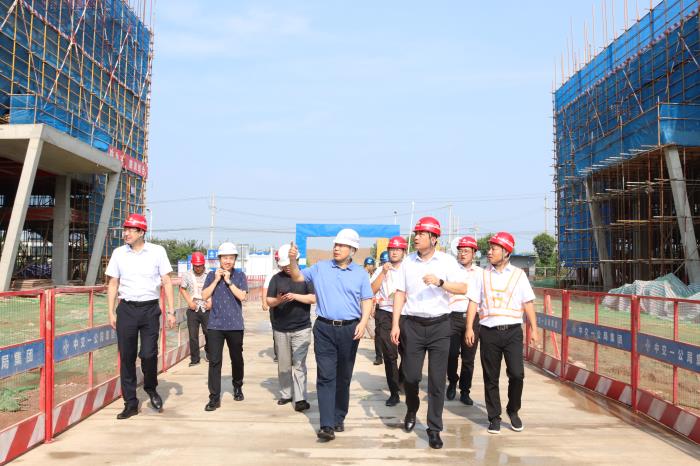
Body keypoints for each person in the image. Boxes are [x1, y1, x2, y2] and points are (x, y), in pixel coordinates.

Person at [287, 229, 372, 442]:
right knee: (326, 376)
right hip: (324, 328)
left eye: (342, 245)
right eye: (335, 244)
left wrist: (363, 323)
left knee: (343, 377)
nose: (337, 248)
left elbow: (367, 300)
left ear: (352, 249)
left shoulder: (361, 274)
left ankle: (338, 416)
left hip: (350, 330)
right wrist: (293, 260)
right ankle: (326, 425)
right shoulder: (320, 268)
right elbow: (297, 276)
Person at [390, 217, 467, 449]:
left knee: (436, 380)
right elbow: (399, 293)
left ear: (434, 238)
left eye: (421, 234)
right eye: (416, 233)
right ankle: (411, 409)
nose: (416, 237)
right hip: (412, 325)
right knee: (411, 377)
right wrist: (395, 324)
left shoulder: (447, 261)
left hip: (440, 326)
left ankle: (434, 428)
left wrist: (440, 282)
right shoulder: (407, 262)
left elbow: (462, 287)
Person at [465, 232, 538, 435]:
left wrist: (534, 329)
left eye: (494, 248)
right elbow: (473, 302)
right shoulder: (481, 275)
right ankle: (494, 417)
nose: (489, 252)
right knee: (491, 377)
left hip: (513, 332)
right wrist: (469, 327)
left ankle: (513, 410)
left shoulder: (518, 275)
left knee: (517, 374)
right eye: (489, 248)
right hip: (488, 332)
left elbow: (528, 303)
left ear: (506, 252)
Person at [106, 213, 176, 420]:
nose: (126, 233)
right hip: (126, 310)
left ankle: (151, 387)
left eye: (130, 230)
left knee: (148, 354)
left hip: (150, 310)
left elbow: (167, 281)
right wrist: (111, 311)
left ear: (141, 232)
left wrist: (171, 311)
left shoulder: (157, 251)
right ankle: (130, 403)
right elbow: (113, 283)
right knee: (126, 357)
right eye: (125, 229)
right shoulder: (119, 253)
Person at [266, 243, 316, 412]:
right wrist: (279, 300)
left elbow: (313, 298)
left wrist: (295, 296)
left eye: (289, 264)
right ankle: (286, 394)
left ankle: (300, 398)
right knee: (284, 365)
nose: (287, 267)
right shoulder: (276, 279)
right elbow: (269, 301)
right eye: (284, 265)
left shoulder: (305, 277)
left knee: (299, 364)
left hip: (302, 328)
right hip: (281, 329)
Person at [201, 242, 248, 411]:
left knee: (237, 358)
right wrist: (216, 280)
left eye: (231, 258)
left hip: (235, 325)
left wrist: (228, 281)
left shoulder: (240, 275)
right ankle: (214, 397)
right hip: (215, 325)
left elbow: (242, 296)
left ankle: (237, 386)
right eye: (225, 258)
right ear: (219, 259)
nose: (228, 261)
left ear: (235, 259)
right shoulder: (211, 275)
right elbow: (204, 295)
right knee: (214, 361)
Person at [370, 236, 407, 407]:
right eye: (392, 249)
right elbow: (371, 290)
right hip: (385, 314)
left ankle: (401, 380)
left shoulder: (409, 268)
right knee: (390, 355)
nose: (394, 252)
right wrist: (383, 273)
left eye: (398, 249)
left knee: (408, 353)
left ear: (403, 251)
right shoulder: (381, 269)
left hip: (406, 314)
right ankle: (393, 392)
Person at [446, 236, 483, 405]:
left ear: (474, 253)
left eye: (466, 251)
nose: (462, 254)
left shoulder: (481, 273)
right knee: (451, 354)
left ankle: (465, 391)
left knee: (468, 358)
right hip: (452, 317)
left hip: (472, 319)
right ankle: (452, 381)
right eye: (460, 251)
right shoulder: (451, 271)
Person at [180, 251, 211, 366]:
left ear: (204, 264)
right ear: (192, 264)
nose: (198, 268)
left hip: (207, 308)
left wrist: (211, 302)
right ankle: (195, 359)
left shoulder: (210, 274)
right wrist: (189, 302)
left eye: (200, 266)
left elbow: (215, 289)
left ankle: (209, 353)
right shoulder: (187, 275)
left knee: (209, 333)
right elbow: (182, 289)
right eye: (196, 266)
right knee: (193, 335)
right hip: (193, 308)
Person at [363, 256, 383, 366]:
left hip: (389, 306)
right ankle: (379, 355)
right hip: (375, 304)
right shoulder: (374, 274)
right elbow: (370, 291)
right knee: (377, 332)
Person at [262, 251, 281, 362]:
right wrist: (264, 302)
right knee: (276, 330)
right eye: (277, 259)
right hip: (275, 306)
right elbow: (265, 288)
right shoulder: (272, 274)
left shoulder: (293, 272)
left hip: (290, 306)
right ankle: (278, 354)